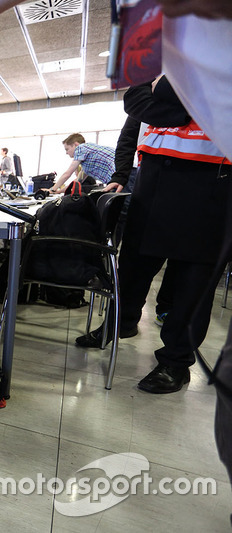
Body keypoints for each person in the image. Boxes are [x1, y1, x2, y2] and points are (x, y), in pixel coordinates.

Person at [76, 76, 230, 394]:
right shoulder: (160, 62)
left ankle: (176, 361)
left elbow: (166, 97)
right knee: (133, 264)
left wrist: (160, 98)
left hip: (211, 179)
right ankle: (122, 323)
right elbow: (134, 115)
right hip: (153, 177)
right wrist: (120, 174)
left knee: (193, 282)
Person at [45, 134, 115, 193]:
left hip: (119, 175)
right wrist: (57, 192)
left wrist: (52, 189)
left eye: (67, 149)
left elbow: (67, 173)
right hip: (120, 176)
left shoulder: (80, 148)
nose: (66, 153)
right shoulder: (87, 164)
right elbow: (76, 183)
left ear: (75, 144)